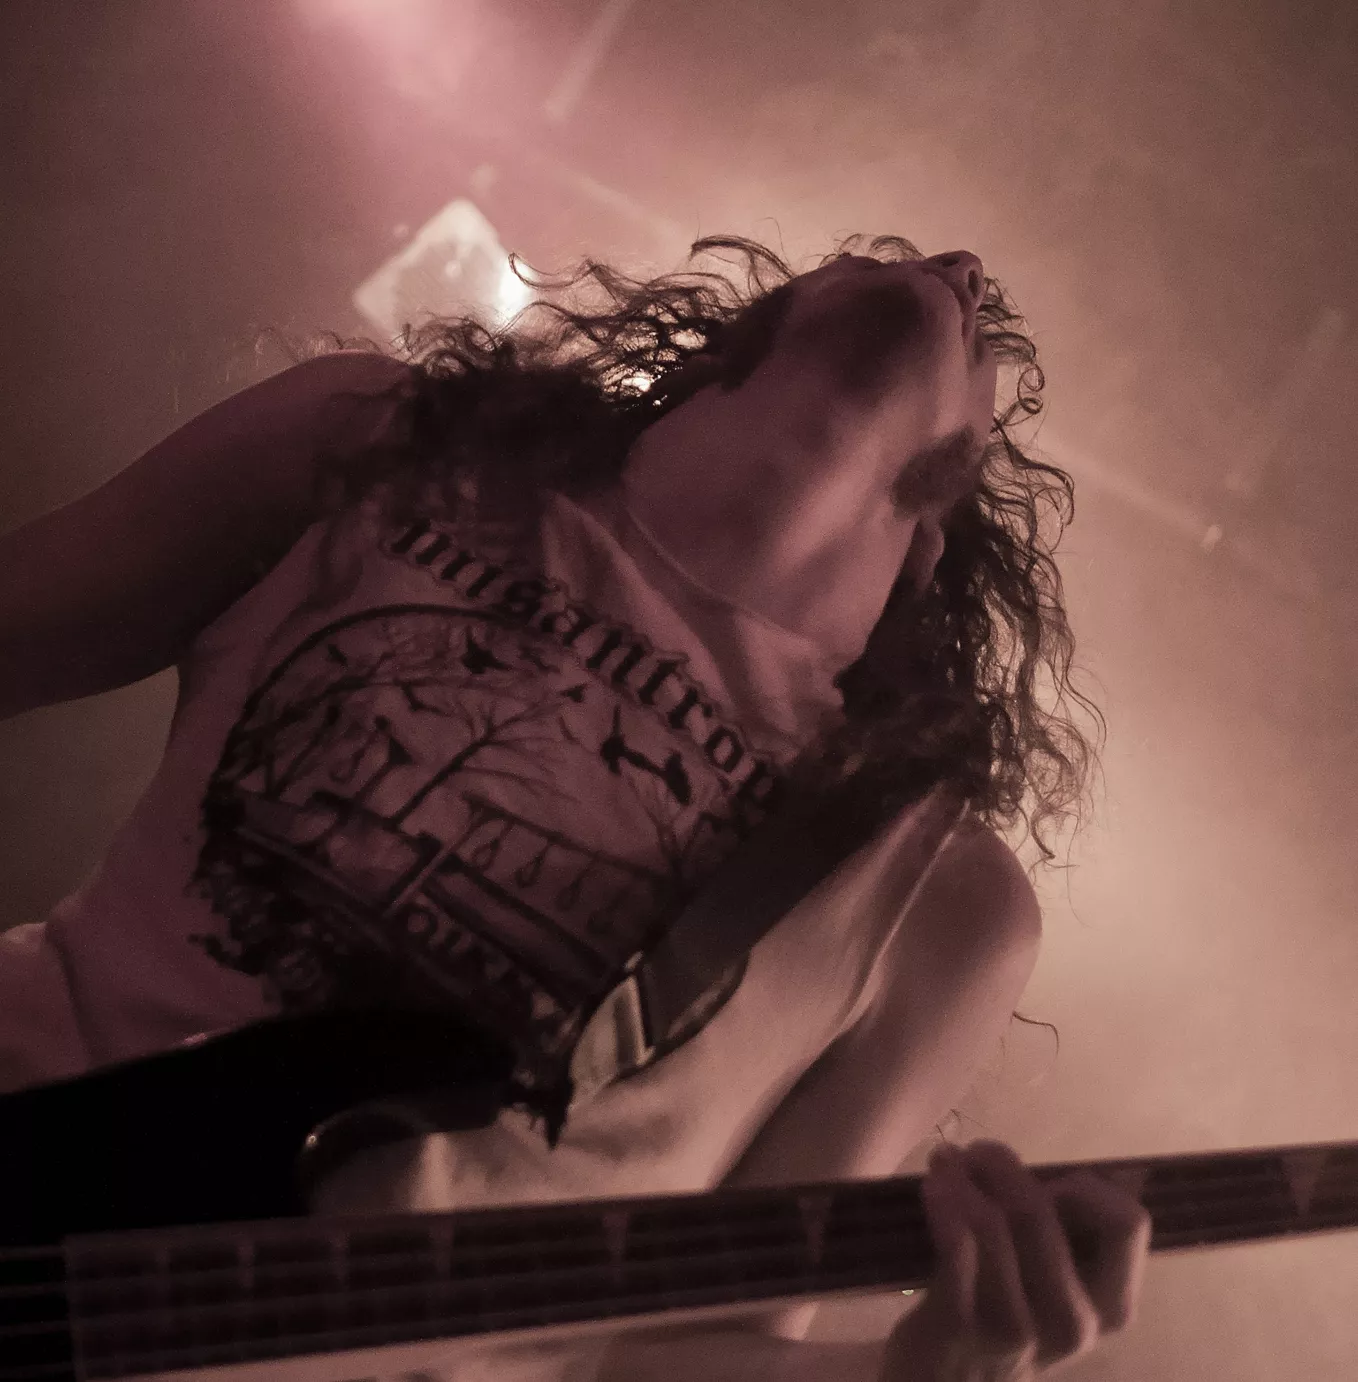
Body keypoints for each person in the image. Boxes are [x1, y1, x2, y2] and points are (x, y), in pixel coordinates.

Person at [0, 233, 1149, 1379]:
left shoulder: (931, 893)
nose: (960, 264)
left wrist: (923, 1370)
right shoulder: (375, 443)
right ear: (721, 351)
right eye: (875, 254)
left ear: (929, 543)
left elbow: (677, 1356)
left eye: (981, 335)